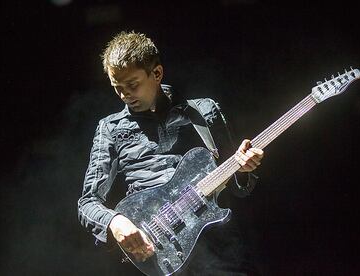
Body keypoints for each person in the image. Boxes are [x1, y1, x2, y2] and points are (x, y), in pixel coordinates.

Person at [78, 31, 264, 276]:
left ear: (156, 73)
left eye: (132, 85)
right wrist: (115, 222)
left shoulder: (203, 112)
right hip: (154, 254)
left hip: (218, 250)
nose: (124, 95)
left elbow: (237, 185)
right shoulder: (111, 129)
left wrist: (242, 169)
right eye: (117, 87)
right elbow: (87, 202)